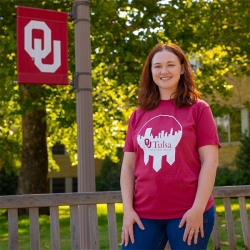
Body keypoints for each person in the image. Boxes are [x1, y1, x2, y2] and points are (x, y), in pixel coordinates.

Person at [120, 43, 221, 250]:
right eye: (157, 66)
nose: (164, 71)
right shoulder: (138, 115)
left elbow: (210, 161)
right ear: (150, 71)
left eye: (170, 65)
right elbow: (128, 167)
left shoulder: (198, 109)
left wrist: (198, 209)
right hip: (143, 215)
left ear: (182, 68)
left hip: (187, 212)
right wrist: (128, 210)